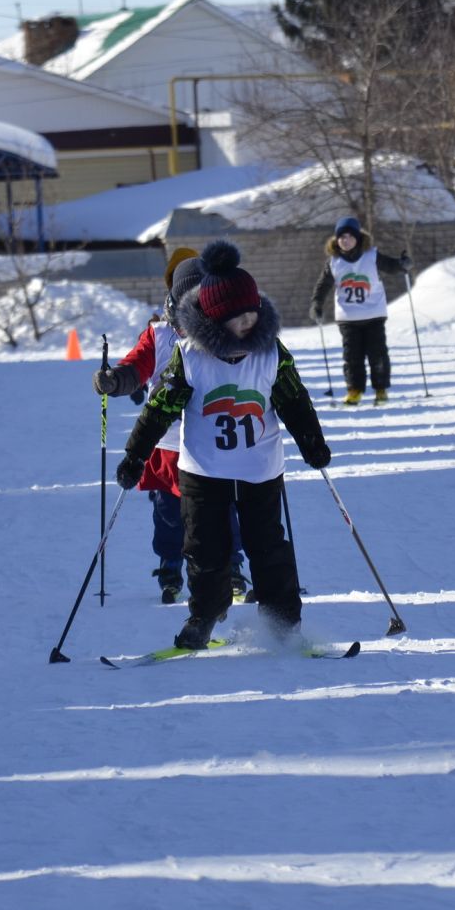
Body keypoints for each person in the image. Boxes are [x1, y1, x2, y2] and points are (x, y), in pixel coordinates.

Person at [119, 239, 331, 650]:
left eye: (253, 313)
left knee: (269, 548)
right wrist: (135, 455)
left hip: (260, 469)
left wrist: (312, 442)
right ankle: (204, 616)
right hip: (203, 470)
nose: (249, 322)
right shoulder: (191, 356)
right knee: (205, 550)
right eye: (239, 317)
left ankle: (282, 622)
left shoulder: (271, 352)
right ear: (215, 318)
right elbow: (160, 408)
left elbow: (293, 398)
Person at [92, 249, 250, 603]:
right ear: (175, 299)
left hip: (212, 442)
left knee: (224, 510)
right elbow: (136, 368)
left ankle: (232, 566)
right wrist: (114, 380)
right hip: (166, 445)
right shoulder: (159, 335)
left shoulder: (223, 333)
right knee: (169, 513)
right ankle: (169, 566)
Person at [309, 216, 409, 406]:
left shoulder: (371, 255)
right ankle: (354, 391)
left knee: (377, 354)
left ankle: (380, 390)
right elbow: (323, 286)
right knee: (351, 356)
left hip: (373, 314)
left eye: (349, 237)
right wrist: (317, 304)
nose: (345, 240)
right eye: (341, 237)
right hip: (348, 318)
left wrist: (402, 264)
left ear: (358, 238)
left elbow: (390, 266)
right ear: (336, 240)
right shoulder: (334, 262)